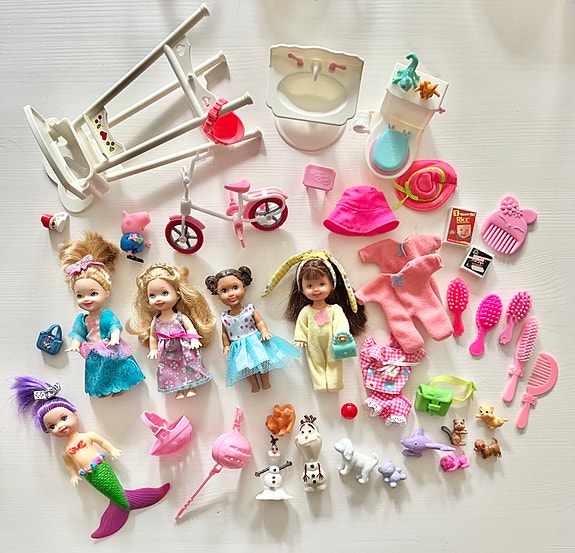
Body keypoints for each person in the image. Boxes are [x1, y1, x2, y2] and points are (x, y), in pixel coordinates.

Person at [11, 376, 170, 539]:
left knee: (115, 489)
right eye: (52, 426)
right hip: (90, 475)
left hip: (101, 467)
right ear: (48, 431)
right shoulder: (66, 451)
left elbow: (102, 442)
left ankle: (124, 501)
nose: (61, 426)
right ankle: (120, 504)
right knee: (109, 491)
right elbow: (69, 465)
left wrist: (112, 450)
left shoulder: (87, 436)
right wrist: (73, 475)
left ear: (74, 414)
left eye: (63, 418)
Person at [262, 250, 367, 392]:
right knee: (315, 362)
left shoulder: (335, 309)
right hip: (313, 343)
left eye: (321, 284)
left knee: (334, 361)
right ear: (301, 289)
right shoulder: (306, 311)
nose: (316, 290)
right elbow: (301, 325)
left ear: (332, 285)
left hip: (333, 341)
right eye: (309, 286)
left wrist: (342, 333)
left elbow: (341, 322)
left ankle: (335, 383)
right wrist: (300, 337)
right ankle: (320, 384)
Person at [58, 232, 145, 397]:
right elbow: (78, 333)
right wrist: (76, 344)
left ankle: (118, 387)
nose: (86, 299)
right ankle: (104, 390)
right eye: (80, 295)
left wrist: (114, 337)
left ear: (106, 292)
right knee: (98, 372)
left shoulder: (105, 315)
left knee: (115, 368)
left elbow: (114, 326)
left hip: (109, 347)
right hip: (93, 351)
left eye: (93, 293)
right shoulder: (82, 319)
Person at [205, 266, 300, 393]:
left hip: (255, 340)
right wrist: (226, 345)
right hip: (238, 346)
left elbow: (259, 322)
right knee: (245, 367)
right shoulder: (225, 317)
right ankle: (254, 385)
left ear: (244, 287)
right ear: (218, 294)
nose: (231, 293)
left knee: (263, 360)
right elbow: (224, 333)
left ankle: (265, 381)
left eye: (235, 287)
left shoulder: (249, 309)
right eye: (224, 290)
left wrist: (264, 331)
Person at [127, 263, 215, 399]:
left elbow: (190, 328)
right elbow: (153, 336)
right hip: (167, 353)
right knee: (170, 370)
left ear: (178, 295)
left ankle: (192, 386)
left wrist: (193, 338)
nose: (158, 298)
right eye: (152, 295)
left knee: (189, 365)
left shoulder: (180, 317)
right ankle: (178, 390)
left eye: (164, 293)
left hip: (184, 347)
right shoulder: (156, 320)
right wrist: (153, 349)